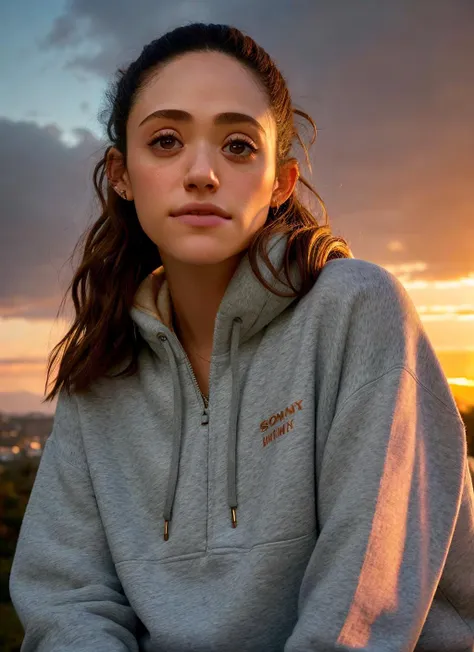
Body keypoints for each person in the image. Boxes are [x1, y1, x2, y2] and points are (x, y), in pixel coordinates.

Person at [9, 22, 474, 652]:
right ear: (122, 172)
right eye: (167, 141)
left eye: (237, 146)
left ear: (280, 182)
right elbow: (66, 598)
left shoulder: (358, 312)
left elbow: (363, 608)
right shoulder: (103, 366)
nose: (201, 173)